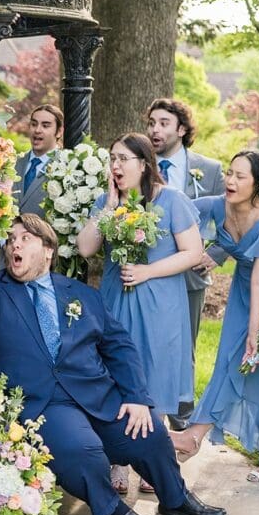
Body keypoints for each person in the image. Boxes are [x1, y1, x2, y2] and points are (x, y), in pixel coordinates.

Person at [0, 214, 228, 515]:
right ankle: (116, 512)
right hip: (45, 404)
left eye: (25, 238)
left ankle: (175, 498)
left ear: (48, 250)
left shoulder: (81, 294)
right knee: (83, 453)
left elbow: (119, 346)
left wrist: (136, 397)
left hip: (97, 394)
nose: (14, 243)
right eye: (10, 238)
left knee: (151, 434)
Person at [170, 151, 259, 483]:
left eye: (241, 177)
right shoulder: (218, 206)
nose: (231, 182)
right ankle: (193, 436)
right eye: (229, 173)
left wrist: (254, 332)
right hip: (245, 290)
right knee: (229, 361)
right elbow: (177, 210)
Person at [77, 132, 203, 494]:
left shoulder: (172, 200)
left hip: (160, 301)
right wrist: (108, 205)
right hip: (117, 301)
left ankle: (153, 458)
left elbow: (193, 252)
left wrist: (149, 270)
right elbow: (85, 248)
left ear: (144, 164)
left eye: (123, 159)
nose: (115, 165)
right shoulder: (106, 201)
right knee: (118, 375)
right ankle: (118, 461)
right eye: (112, 158)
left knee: (155, 373)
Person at [146, 98, 226, 430]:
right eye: (151, 122)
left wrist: (216, 253)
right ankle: (147, 408)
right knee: (149, 342)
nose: (155, 129)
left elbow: (231, 217)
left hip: (191, 273)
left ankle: (181, 416)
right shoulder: (139, 164)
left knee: (184, 345)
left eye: (163, 123)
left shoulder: (208, 170)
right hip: (148, 272)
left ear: (181, 129)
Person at [14, 105, 65, 218]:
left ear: (59, 132)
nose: (37, 130)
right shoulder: (13, 164)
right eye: (34, 124)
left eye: (45, 126)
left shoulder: (65, 167)